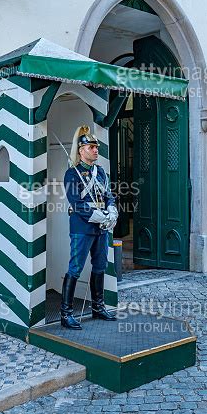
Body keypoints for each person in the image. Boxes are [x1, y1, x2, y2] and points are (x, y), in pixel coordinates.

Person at [60, 125, 118, 330]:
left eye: (96, 147)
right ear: (81, 150)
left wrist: (112, 212)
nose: (95, 150)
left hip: (101, 228)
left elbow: (108, 195)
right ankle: (66, 314)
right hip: (82, 227)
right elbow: (76, 203)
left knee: (100, 266)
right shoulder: (72, 174)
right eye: (91, 147)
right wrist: (99, 216)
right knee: (75, 268)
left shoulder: (100, 172)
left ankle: (98, 307)